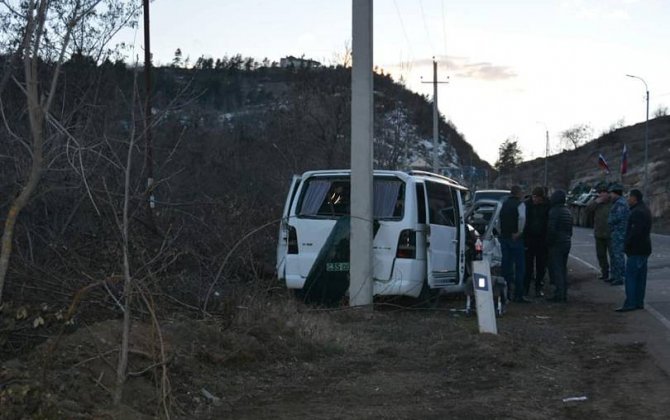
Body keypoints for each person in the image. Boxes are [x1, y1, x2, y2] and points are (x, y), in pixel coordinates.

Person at [615, 189, 652, 312]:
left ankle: (630, 303)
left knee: (631, 277)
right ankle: (638, 302)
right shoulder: (644, 210)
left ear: (635, 198)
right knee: (641, 278)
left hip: (636, 249)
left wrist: (627, 244)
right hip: (644, 248)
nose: (627, 199)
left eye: (629, 197)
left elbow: (635, 232)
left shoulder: (637, 212)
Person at [500, 185, 528, 303]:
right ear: (518, 193)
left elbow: (497, 220)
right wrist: (519, 232)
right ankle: (518, 294)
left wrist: (501, 232)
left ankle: (505, 293)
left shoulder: (503, 204)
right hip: (515, 238)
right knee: (520, 267)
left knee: (506, 266)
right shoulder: (520, 205)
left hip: (504, 237)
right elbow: (522, 218)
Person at [546, 190, 573, 302]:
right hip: (566, 242)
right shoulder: (567, 211)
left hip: (557, 243)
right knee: (563, 268)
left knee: (557, 269)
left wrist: (549, 242)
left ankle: (559, 294)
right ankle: (563, 292)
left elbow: (551, 229)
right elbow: (570, 229)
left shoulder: (554, 211)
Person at [523, 186, 550, 297]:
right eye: (534, 197)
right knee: (527, 267)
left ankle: (538, 287)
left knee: (541, 267)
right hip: (529, 239)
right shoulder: (526, 205)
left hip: (542, 240)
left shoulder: (547, 205)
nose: (535, 199)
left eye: (537, 197)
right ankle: (526, 288)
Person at [586, 184, 612, 282]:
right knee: (601, 255)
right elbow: (587, 210)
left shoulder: (612, 203)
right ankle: (604, 272)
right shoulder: (597, 203)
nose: (602, 196)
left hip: (610, 234)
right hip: (599, 233)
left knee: (613, 255)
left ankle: (614, 274)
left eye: (604, 193)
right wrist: (596, 202)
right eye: (601, 193)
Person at [607, 184, 629, 286]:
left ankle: (619, 277)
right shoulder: (617, 203)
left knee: (618, 256)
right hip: (616, 233)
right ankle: (615, 276)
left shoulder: (620, 204)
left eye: (611, 193)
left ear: (616, 193)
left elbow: (618, 218)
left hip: (619, 233)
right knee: (613, 255)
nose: (610, 195)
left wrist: (610, 221)